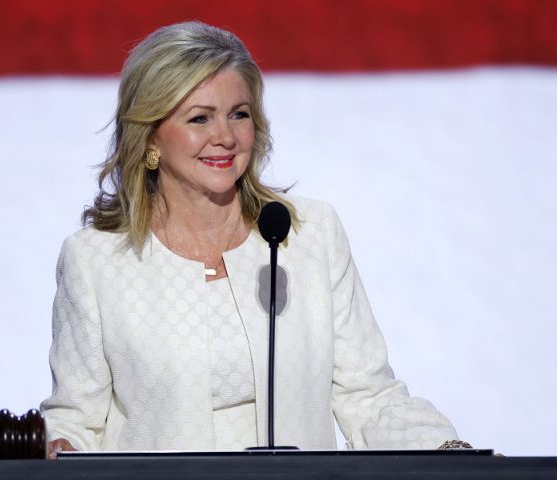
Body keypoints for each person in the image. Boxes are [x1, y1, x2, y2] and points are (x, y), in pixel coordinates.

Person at [40, 20, 468, 457]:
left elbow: (368, 396)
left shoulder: (308, 235)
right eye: (199, 118)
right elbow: (76, 417)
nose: (224, 137)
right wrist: (57, 445)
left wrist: (451, 451)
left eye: (238, 114)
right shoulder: (95, 260)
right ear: (150, 136)